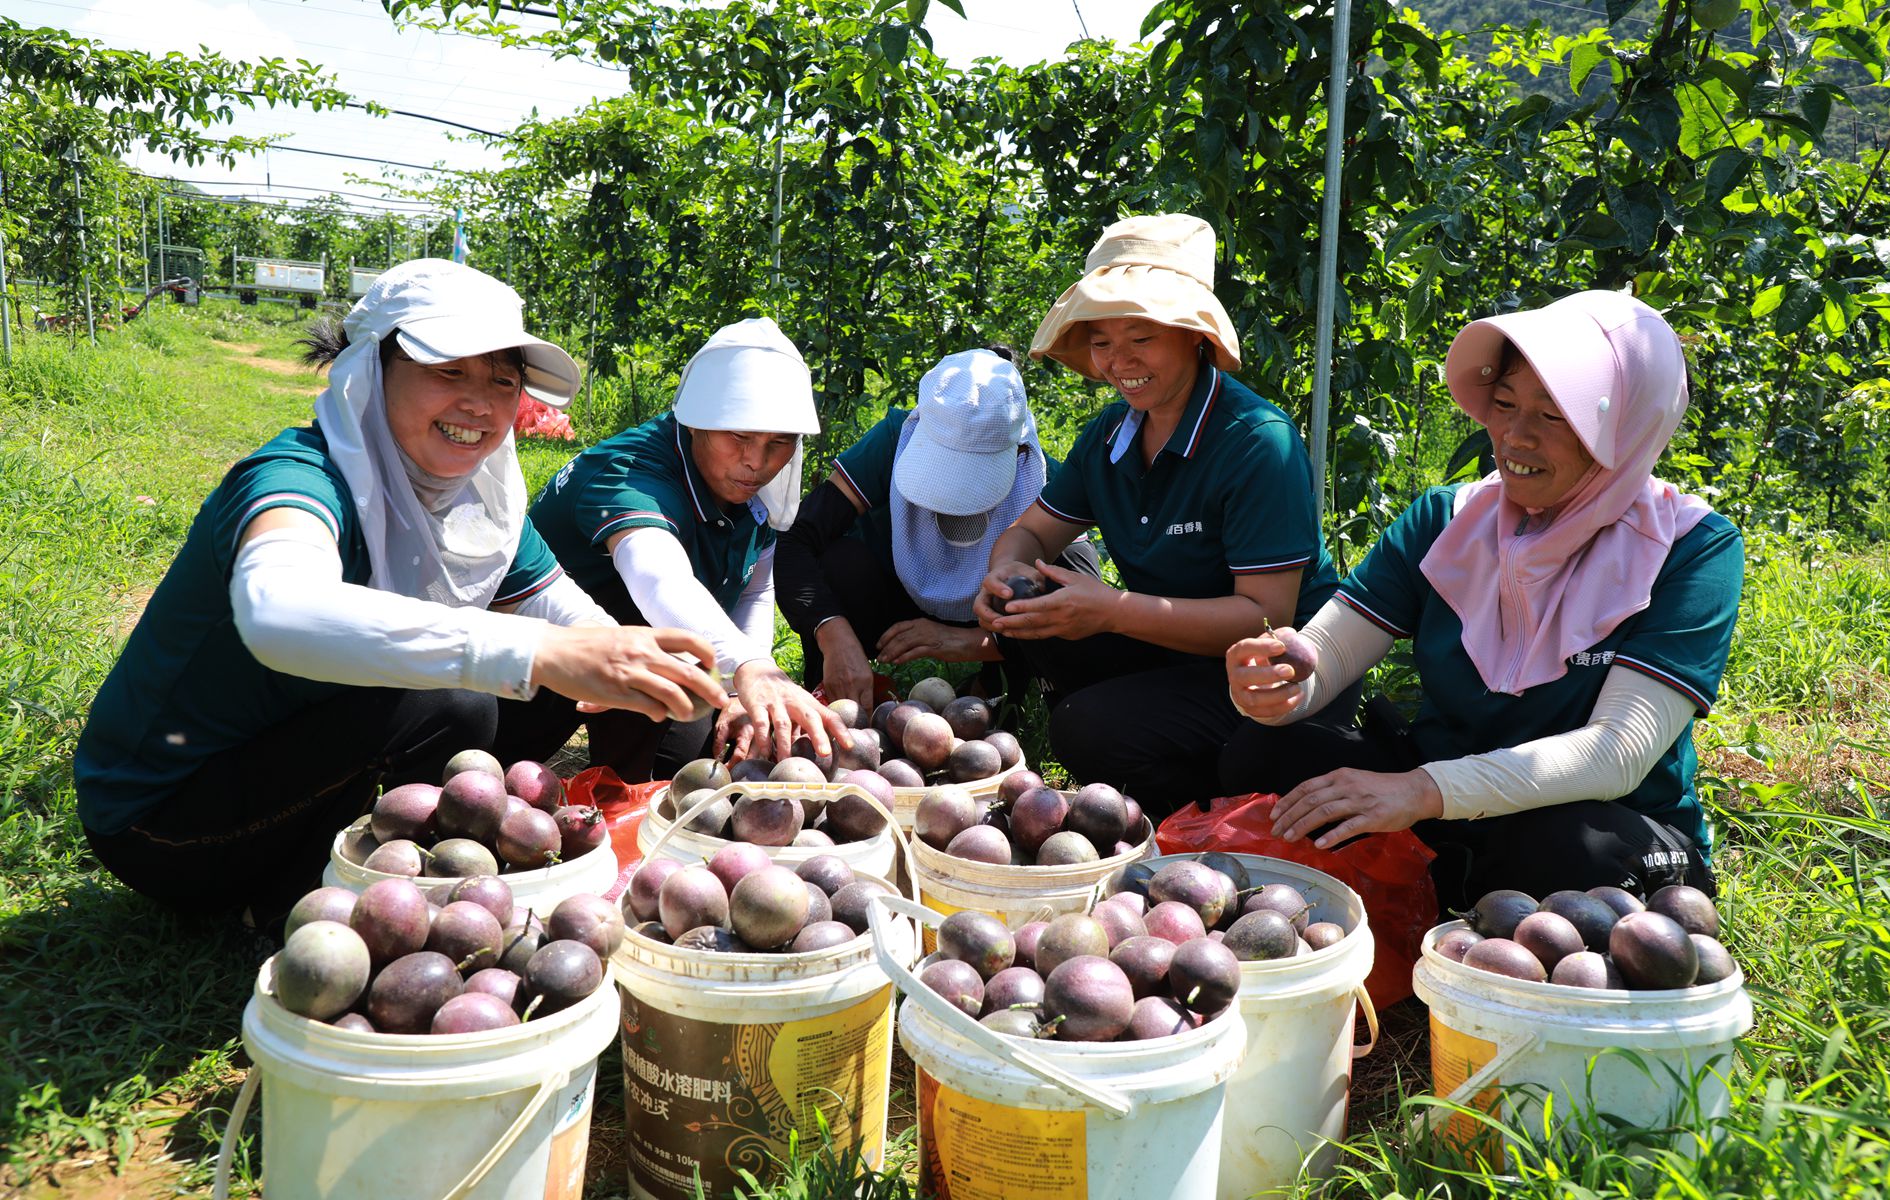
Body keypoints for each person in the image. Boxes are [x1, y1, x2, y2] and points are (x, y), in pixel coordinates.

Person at [76, 259, 724, 918]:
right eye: (449, 372)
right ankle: (291, 898)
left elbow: (566, 615)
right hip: (164, 821)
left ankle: (380, 859)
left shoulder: (475, 505)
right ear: (372, 372)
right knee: (456, 700)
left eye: (503, 380)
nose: (479, 402)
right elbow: (277, 610)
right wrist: (535, 651)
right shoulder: (297, 480)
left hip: (296, 757)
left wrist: (680, 668)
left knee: (555, 682)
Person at [1225, 290, 1738, 912]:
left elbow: (1618, 752)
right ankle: (1443, 885)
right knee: (1270, 750)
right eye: (1504, 405)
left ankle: (1439, 888)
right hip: (1439, 790)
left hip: (1594, 814)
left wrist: (1421, 792)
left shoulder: (1689, 548)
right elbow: (1329, 649)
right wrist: (1280, 679)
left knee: (1570, 856)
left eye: (1555, 418)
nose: (1515, 438)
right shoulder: (1448, 520)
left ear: (1626, 429)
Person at [974, 213, 1347, 818]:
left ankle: (1206, 795)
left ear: (1194, 336)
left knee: (1084, 729)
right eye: (1102, 341)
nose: (1120, 361)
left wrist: (1113, 611)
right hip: (1177, 648)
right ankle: (1152, 752)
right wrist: (1004, 572)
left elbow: (1264, 617)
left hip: (1273, 671)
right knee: (1035, 600)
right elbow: (1033, 531)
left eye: (1141, 337)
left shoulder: (1256, 442)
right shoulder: (1112, 435)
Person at [500, 317, 849, 775]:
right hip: (541, 652)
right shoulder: (631, 473)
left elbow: (754, 588)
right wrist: (745, 667)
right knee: (483, 763)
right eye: (739, 437)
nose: (756, 462)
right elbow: (658, 579)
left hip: (644, 646)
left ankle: (622, 785)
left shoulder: (755, 484)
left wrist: (742, 683)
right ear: (697, 422)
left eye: (779, 443)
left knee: (700, 751)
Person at [775, 346, 1101, 711]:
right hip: (891, 592)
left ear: (1019, 451)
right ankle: (835, 686)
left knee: (1045, 587)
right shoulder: (893, 439)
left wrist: (973, 641)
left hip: (993, 618)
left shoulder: (1041, 479)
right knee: (838, 562)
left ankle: (995, 687)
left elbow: (1085, 618)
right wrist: (832, 630)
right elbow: (796, 538)